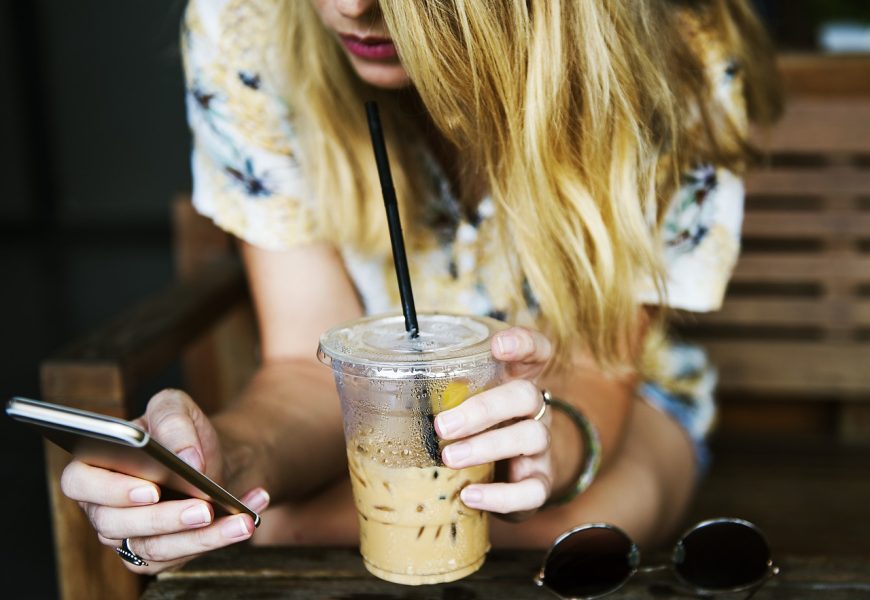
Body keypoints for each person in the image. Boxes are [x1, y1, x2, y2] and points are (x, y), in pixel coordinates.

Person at [60, 0, 781, 574]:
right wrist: (224, 466)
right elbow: (305, 376)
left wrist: (549, 449)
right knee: (301, 525)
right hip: (378, 415)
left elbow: (599, 367)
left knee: (566, 533)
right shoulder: (247, 28)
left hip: (609, 395)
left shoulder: (678, 50)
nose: (348, 7)